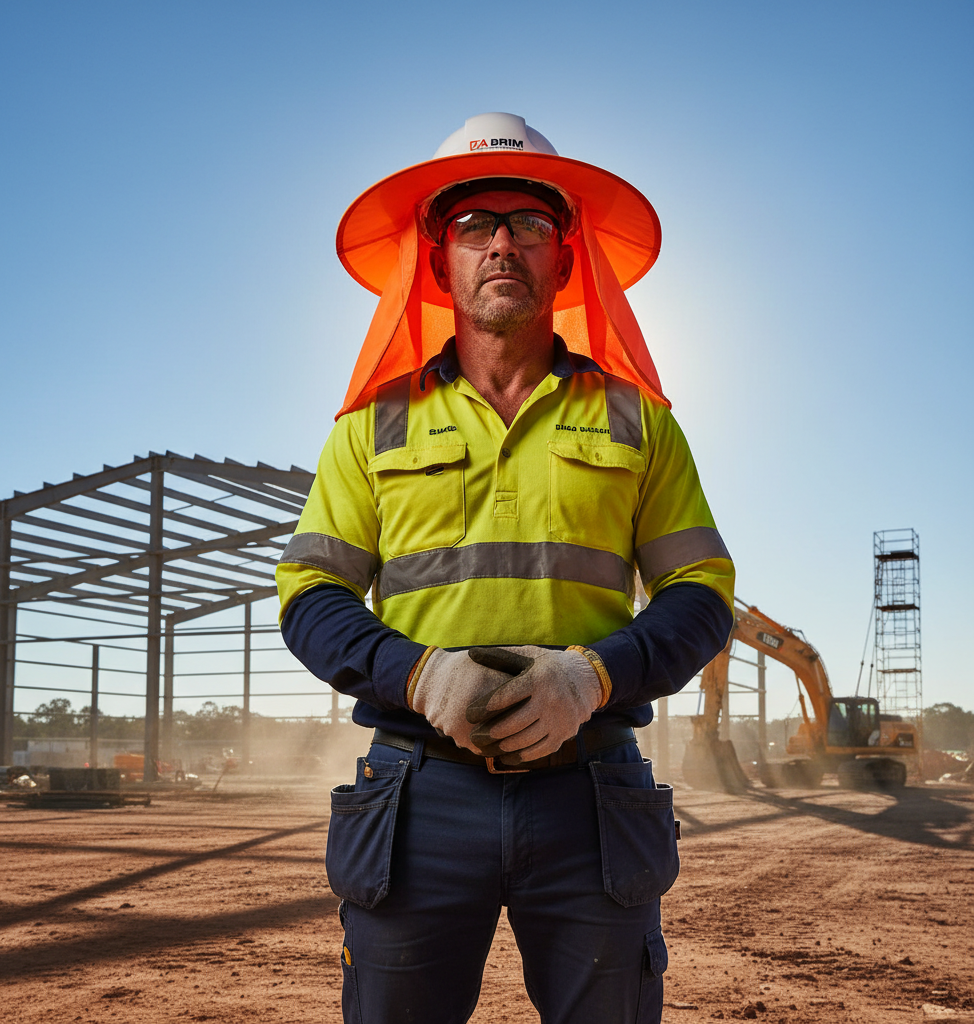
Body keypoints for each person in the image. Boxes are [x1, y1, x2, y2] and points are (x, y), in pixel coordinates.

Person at [277, 112, 735, 1024]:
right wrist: (421, 675)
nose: (501, 245)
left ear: (566, 260)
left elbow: (703, 595)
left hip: (591, 789)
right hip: (416, 793)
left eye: (529, 224)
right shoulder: (372, 428)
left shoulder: (639, 421)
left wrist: (591, 675)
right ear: (436, 260)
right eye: (474, 226)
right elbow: (309, 595)